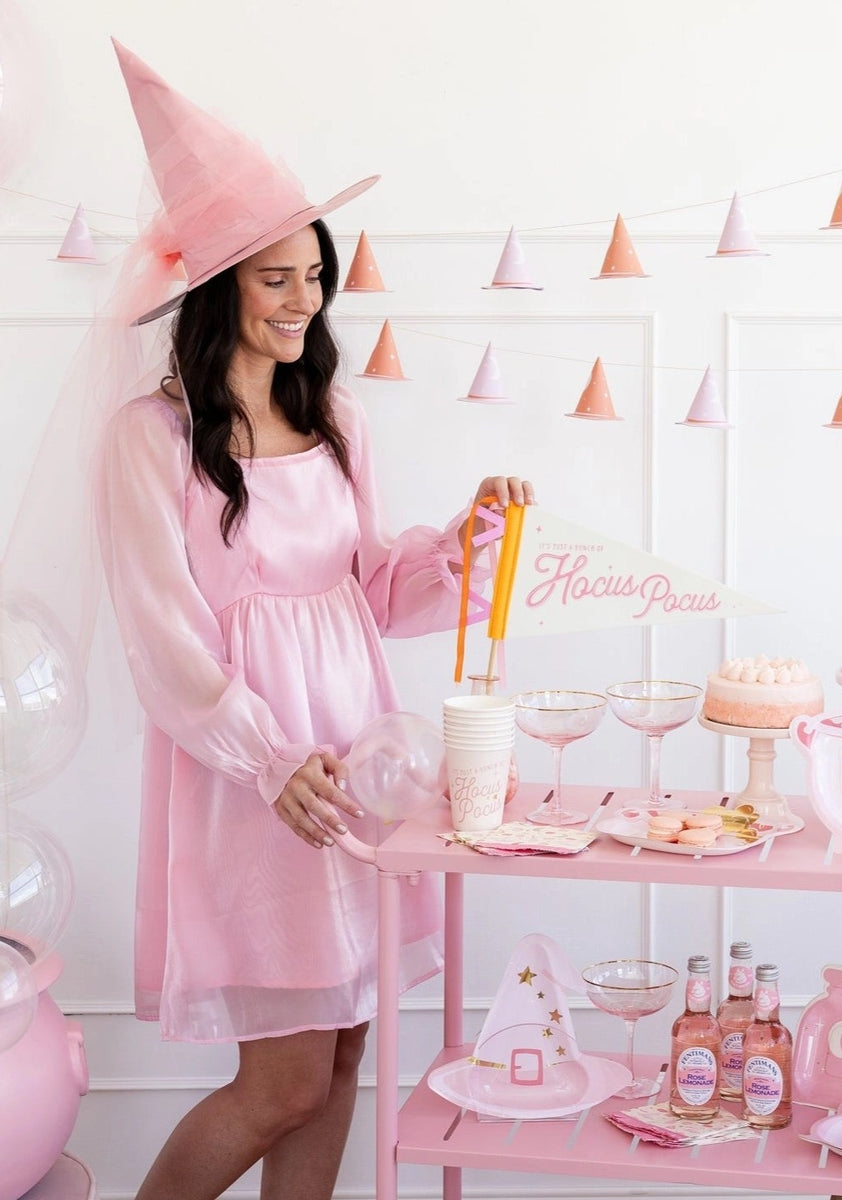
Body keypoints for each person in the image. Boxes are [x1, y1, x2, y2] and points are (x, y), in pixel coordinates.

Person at [93, 44, 531, 1200]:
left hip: (358, 765)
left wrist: (465, 538)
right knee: (281, 1078)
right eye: (275, 278)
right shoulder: (152, 439)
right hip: (260, 783)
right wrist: (271, 760)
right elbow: (164, 644)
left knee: (341, 1057)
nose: (304, 301)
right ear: (218, 288)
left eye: (313, 275)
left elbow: (372, 592)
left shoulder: (332, 415)